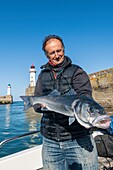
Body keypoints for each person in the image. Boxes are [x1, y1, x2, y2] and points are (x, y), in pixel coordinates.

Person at [33, 35, 98, 170]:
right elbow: (36, 104)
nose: (57, 55)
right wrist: (42, 107)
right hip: (50, 141)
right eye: (52, 52)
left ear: (63, 49)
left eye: (59, 50)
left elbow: (86, 98)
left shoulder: (77, 72)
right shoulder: (42, 75)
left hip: (78, 139)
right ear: (47, 55)